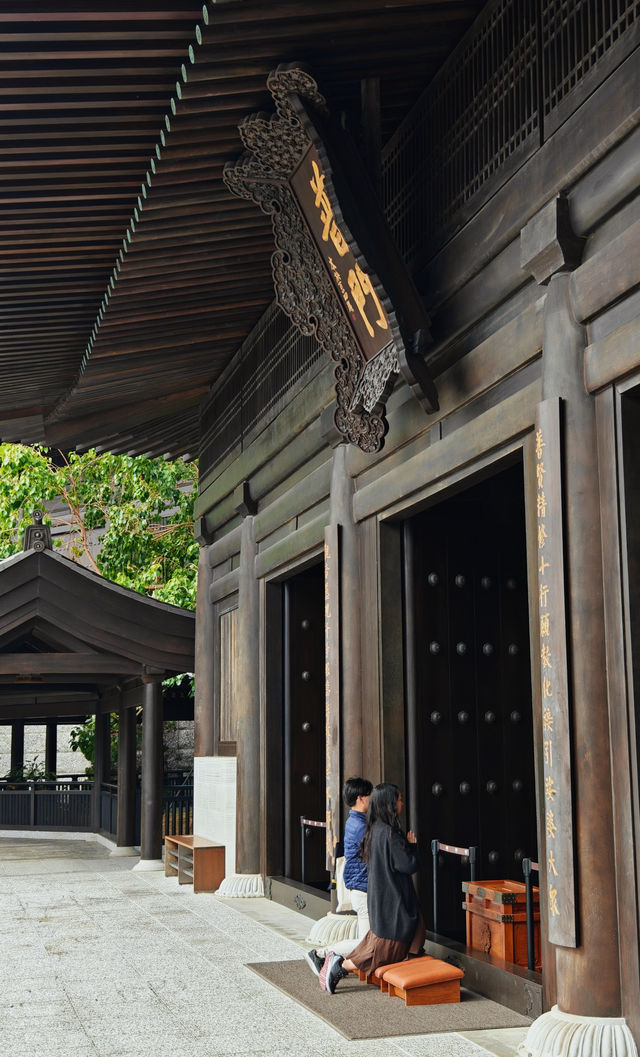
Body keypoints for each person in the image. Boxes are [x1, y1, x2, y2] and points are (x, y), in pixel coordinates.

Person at [321, 782, 424, 995]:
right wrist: (413, 847)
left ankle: (414, 969)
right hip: (392, 901)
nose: (402, 803)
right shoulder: (389, 834)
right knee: (382, 951)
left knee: (394, 940)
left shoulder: (374, 830)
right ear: (389, 803)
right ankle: (340, 965)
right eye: (399, 799)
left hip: (381, 897)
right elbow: (407, 865)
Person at [304, 776, 372, 978]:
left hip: (359, 886)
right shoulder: (360, 826)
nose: (372, 799)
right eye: (370, 795)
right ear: (360, 798)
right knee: (366, 943)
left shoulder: (355, 821)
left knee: (368, 941)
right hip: (363, 887)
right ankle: (321, 954)